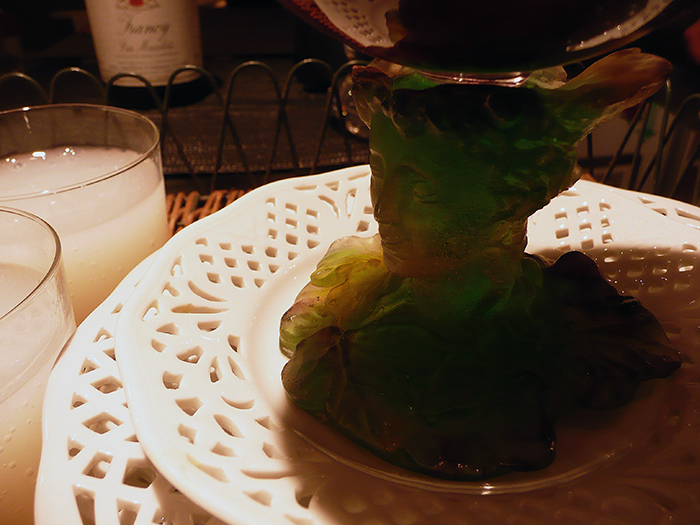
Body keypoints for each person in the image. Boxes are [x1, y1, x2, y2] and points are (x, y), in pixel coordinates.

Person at [279, 50, 682, 480]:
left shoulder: (572, 334)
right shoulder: (348, 312)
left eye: (424, 193)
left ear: (517, 197)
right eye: (379, 172)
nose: (383, 210)